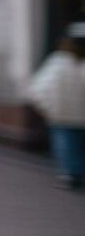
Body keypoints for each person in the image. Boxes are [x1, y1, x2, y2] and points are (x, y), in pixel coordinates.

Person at [28, 23, 85, 190]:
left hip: (62, 116)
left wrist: (49, 109)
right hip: (71, 115)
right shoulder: (60, 62)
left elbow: (38, 89)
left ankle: (71, 173)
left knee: (67, 145)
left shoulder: (58, 62)